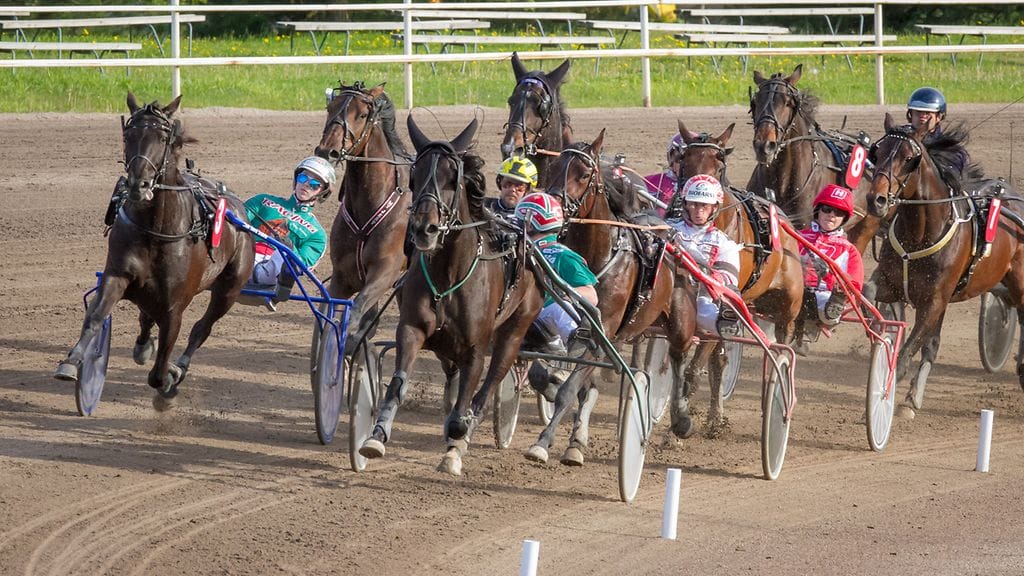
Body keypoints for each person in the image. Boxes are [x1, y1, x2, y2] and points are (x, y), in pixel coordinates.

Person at [516, 192, 599, 401]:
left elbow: (591, 294)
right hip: (518, 311)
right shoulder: (511, 250)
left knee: (559, 310)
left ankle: (570, 352)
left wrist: (565, 295)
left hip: (548, 313)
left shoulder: (562, 255)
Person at [667, 174, 743, 337]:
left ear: (715, 207)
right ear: (685, 204)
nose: (698, 211)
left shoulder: (724, 243)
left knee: (705, 312)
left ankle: (726, 322)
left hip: (698, 296)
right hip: (665, 287)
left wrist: (706, 273)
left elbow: (730, 278)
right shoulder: (668, 228)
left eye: (704, 206)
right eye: (693, 204)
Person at [244, 156, 335, 287]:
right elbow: (235, 220)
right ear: (296, 179)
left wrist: (290, 248)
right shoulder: (262, 200)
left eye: (315, 185)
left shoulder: (317, 234)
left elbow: (302, 266)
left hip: (270, 268)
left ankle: (248, 271)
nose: (306, 184)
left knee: (287, 257)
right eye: (303, 178)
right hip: (243, 252)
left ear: (323, 192)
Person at [797, 184, 865, 327]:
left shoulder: (849, 250)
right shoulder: (798, 237)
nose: (832, 215)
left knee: (827, 302)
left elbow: (855, 287)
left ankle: (834, 305)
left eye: (839, 212)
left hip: (823, 295)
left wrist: (828, 275)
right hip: (792, 288)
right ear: (818, 211)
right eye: (827, 209)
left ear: (844, 219)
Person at [905, 86, 970, 179]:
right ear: (910, 114)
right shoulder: (899, 140)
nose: (922, 116)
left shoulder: (952, 152)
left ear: (939, 117)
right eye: (918, 112)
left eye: (928, 112)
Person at [485, 154, 539, 221]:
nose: (512, 189)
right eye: (507, 184)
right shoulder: (484, 206)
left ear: (528, 189)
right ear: (500, 183)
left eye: (519, 186)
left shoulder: (533, 219)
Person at [643, 134, 685, 217]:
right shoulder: (650, 182)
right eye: (679, 159)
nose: (684, 164)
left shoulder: (705, 186)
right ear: (671, 159)